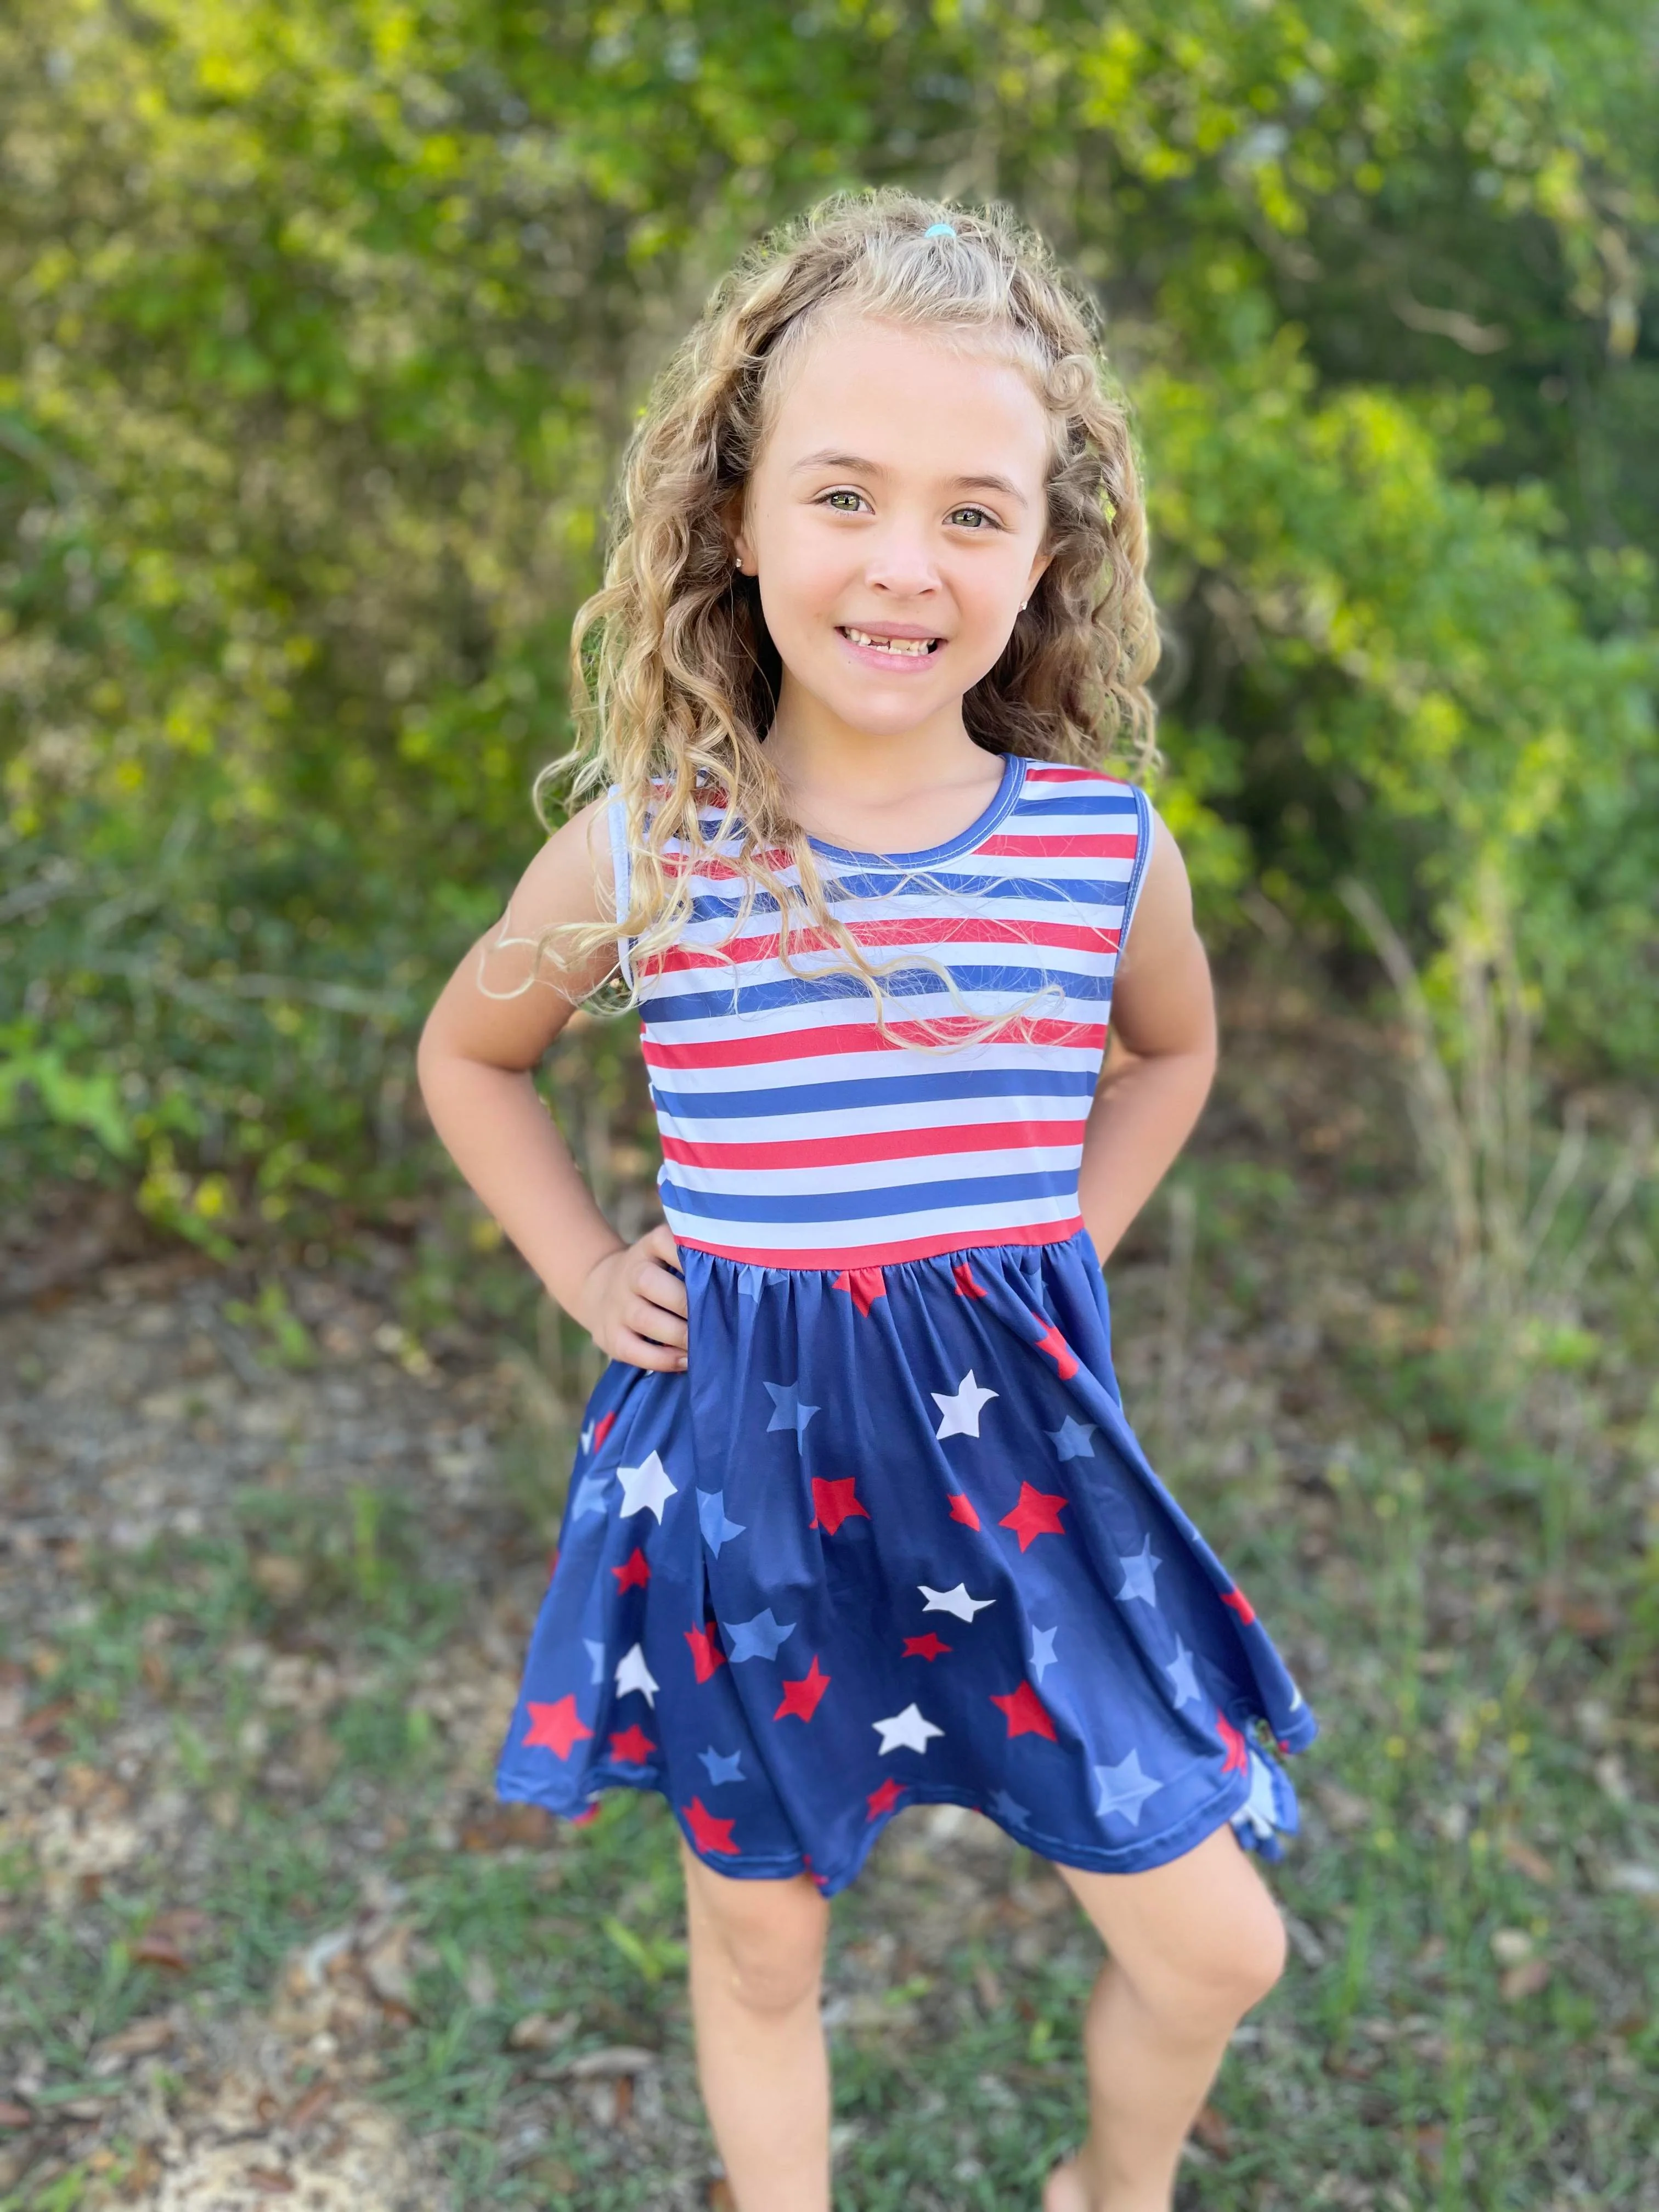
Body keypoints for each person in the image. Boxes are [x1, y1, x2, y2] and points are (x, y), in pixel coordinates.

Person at [417, 190, 1317, 2212]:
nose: (904, 564)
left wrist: (1068, 1231)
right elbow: (465, 1061)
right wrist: (582, 1263)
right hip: (748, 1472)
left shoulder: (1097, 854)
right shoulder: (652, 856)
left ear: (1043, 557)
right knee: (761, 1937)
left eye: (974, 512)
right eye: (844, 494)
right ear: (740, 521)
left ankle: (1114, 2187)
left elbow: (1172, 1053)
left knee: (1218, 1941)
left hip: (1017, 1477)